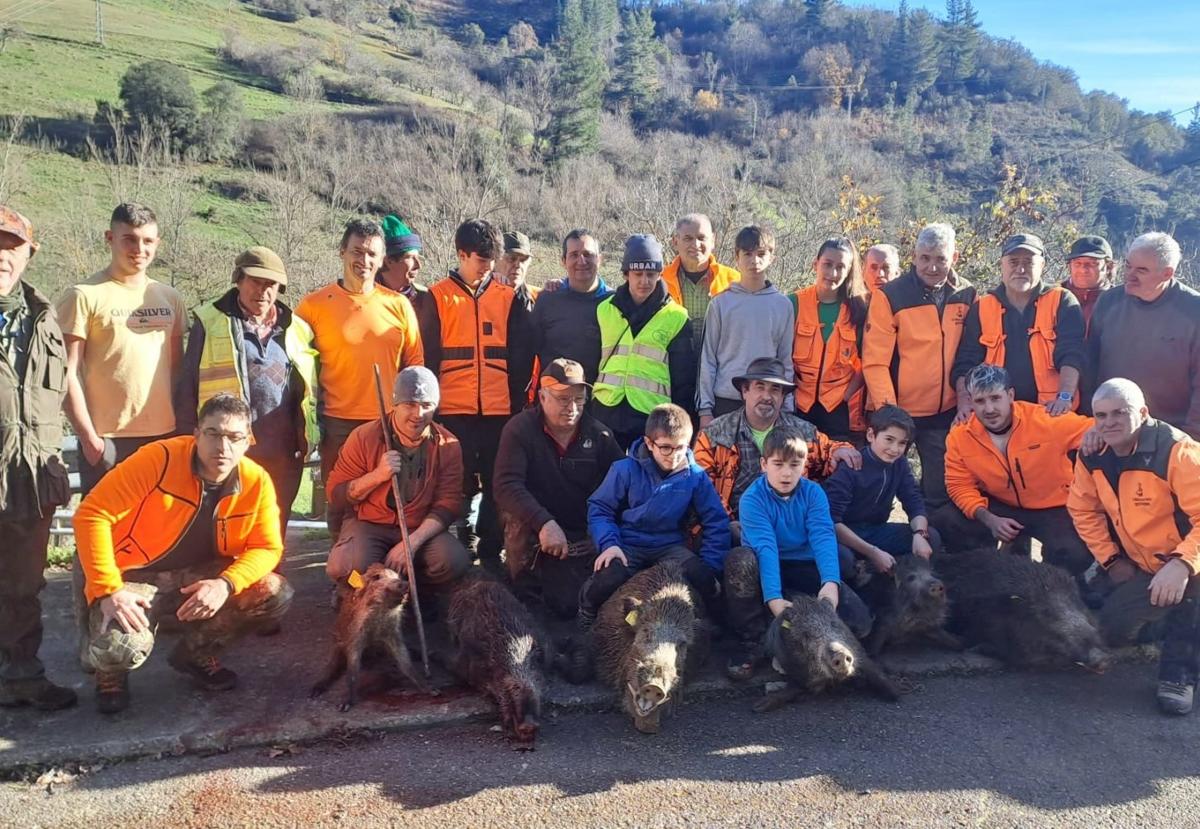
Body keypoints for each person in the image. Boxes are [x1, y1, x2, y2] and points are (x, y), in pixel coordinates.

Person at [74, 394, 294, 714]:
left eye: (234, 438)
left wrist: (225, 584)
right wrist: (108, 589)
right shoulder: (158, 459)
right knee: (120, 649)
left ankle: (195, 653)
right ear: (196, 434)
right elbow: (91, 515)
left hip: (199, 576)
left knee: (274, 593)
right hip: (136, 576)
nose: (223, 447)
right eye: (213, 434)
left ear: (248, 441)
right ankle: (109, 673)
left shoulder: (255, 481)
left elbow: (268, 546)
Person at [1067, 378, 1200, 715]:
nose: (1109, 422)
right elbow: (1082, 509)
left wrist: (1182, 564)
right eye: (1101, 415)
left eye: (1119, 413)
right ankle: (1168, 615)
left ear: (1142, 413)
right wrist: (1111, 560)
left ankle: (1179, 674)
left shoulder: (1177, 452)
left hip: (1188, 560)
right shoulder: (1094, 455)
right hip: (1146, 565)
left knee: (1190, 600)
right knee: (1112, 631)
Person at [175, 246, 319, 543]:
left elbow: (309, 390)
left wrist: (307, 438)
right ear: (238, 279)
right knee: (226, 526)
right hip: (228, 447)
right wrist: (186, 440)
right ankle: (228, 586)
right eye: (255, 281)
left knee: (273, 527)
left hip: (283, 451)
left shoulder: (297, 328)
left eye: (271, 285)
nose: (263, 292)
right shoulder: (210, 321)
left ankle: (269, 585)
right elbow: (188, 384)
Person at [295, 217, 424, 532]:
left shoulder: (399, 306)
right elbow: (297, 369)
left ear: (381, 260)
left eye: (371, 254)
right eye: (357, 251)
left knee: (388, 501)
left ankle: (383, 575)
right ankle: (342, 575)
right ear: (342, 251)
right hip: (337, 425)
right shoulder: (312, 307)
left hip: (389, 423)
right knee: (340, 504)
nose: (363, 260)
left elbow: (415, 366)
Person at [424, 219, 533, 571]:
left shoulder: (508, 297)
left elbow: (519, 356)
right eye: (480, 260)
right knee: (456, 481)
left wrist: (517, 405)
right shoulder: (436, 297)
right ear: (461, 254)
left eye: (491, 261)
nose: (487, 268)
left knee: (497, 480)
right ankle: (460, 539)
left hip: (500, 411)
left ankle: (491, 548)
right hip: (452, 412)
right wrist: (433, 412)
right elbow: (428, 357)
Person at [0, 207, 76, 711]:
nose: (2, 255)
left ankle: (22, 677)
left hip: (31, 476)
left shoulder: (43, 319)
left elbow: (58, 392)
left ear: (29, 253)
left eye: (12, 245)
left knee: (25, 587)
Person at [56, 202, 187, 494]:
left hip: (164, 437)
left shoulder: (170, 297)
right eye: (129, 238)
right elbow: (66, 372)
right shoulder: (83, 296)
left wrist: (181, 430)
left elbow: (178, 370)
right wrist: (89, 439)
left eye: (148, 240)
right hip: (108, 440)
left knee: (159, 533)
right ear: (109, 238)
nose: (139, 248)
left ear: (157, 243)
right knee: (104, 534)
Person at [724, 427, 873, 679]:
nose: (786, 472)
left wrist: (830, 584)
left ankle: (807, 620)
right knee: (740, 561)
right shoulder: (752, 499)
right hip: (765, 567)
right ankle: (752, 640)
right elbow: (766, 548)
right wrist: (774, 599)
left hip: (804, 563)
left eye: (795, 464)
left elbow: (823, 537)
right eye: (778, 463)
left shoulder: (813, 493)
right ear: (764, 464)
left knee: (861, 625)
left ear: (804, 465)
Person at [493, 359, 624, 619]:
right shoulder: (519, 429)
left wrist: (597, 531)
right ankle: (520, 579)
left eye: (579, 398)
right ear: (542, 397)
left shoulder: (601, 436)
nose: (572, 407)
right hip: (533, 522)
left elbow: (623, 485)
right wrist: (544, 523)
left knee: (566, 604)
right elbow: (505, 485)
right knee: (516, 526)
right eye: (563, 399)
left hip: (578, 529)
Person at [933, 365, 1094, 574]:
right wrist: (989, 519)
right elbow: (958, 485)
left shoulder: (1045, 421)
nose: (989, 409)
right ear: (971, 402)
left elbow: (1098, 428)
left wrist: (1097, 438)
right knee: (947, 521)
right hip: (1000, 505)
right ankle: (984, 572)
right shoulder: (960, 435)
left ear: (1010, 395)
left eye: (995, 398)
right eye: (980, 401)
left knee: (1076, 551)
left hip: (1053, 505)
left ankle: (1056, 581)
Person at [580, 403, 730, 627]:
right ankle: (586, 612)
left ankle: (715, 629)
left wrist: (710, 564)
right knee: (609, 577)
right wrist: (609, 543)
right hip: (629, 542)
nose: (675, 455)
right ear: (650, 443)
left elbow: (716, 520)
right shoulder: (625, 469)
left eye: (681, 448)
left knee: (703, 579)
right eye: (666, 448)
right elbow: (600, 508)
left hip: (669, 545)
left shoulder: (695, 476)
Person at [324, 366, 470, 591]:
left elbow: (448, 504)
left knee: (453, 562)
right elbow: (336, 494)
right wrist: (376, 476)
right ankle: (358, 591)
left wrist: (411, 544)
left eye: (426, 405)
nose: (418, 414)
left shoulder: (448, 445)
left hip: (418, 528)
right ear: (395, 404)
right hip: (369, 524)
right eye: (410, 404)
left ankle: (412, 590)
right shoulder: (363, 437)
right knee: (345, 568)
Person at [863, 222, 976, 510]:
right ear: (914, 256)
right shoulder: (890, 295)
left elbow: (971, 353)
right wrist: (889, 411)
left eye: (940, 258)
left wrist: (965, 399)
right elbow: (875, 361)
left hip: (945, 412)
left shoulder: (967, 294)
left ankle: (934, 548)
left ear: (955, 257)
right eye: (925, 258)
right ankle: (872, 547)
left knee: (939, 490)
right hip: (901, 410)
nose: (932, 266)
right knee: (880, 485)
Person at [694, 357, 860, 524]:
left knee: (841, 551)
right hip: (732, 525)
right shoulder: (714, 434)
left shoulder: (802, 432)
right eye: (760, 387)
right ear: (745, 391)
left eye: (775, 390)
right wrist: (729, 524)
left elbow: (830, 448)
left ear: (782, 396)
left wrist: (840, 449)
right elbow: (702, 487)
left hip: (789, 525)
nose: (767, 396)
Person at [952, 233, 1085, 418]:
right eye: (1014, 262)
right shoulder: (982, 307)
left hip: (1051, 413)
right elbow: (966, 363)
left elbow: (1072, 354)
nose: (1021, 270)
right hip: (996, 418)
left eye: (1028, 263)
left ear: (1042, 266)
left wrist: (1064, 397)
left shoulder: (1062, 300)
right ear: (1002, 265)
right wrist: (965, 404)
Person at [1087, 232, 1200, 439]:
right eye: (1128, 265)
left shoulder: (1194, 311)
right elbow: (1089, 364)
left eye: (1141, 270)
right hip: (1110, 428)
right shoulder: (1108, 302)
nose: (1129, 275)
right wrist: (1090, 421)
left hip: (1171, 433)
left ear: (1167, 273)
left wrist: (1190, 439)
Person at [592, 234, 696, 451]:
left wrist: (677, 427)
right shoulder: (604, 309)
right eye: (637, 273)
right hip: (605, 411)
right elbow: (591, 361)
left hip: (651, 418)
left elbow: (684, 382)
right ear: (626, 274)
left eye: (651, 274)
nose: (644, 281)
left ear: (660, 274)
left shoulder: (677, 317)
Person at [822, 406, 938, 580]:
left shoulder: (900, 464)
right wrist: (872, 552)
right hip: (844, 535)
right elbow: (832, 522)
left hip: (875, 530)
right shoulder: (851, 466)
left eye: (901, 443)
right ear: (871, 435)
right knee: (842, 559)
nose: (894, 449)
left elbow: (914, 502)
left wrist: (920, 534)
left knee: (931, 537)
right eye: (889, 440)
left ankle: (913, 588)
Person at [698, 225, 793, 427]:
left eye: (761, 254)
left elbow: (786, 360)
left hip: (766, 402)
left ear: (771, 257)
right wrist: (705, 410)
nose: (754, 261)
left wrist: (787, 408)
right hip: (725, 399)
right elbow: (707, 359)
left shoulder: (783, 305)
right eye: (748, 254)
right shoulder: (720, 303)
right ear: (737, 257)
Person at [792, 237, 871, 441]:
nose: (832, 273)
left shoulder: (859, 309)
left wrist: (846, 394)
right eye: (827, 265)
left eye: (840, 267)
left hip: (837, 408)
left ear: (849, 270)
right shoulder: (794, 302)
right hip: (798, 404)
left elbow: (868, 362)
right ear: (815, 264)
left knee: (834, 466)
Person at [529, 228, 611, 384]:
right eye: (574, 255)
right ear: (563, 261)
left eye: (588, 254)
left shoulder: (613, 303)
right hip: (553, 399)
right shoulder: (548, 299)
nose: (582, 261)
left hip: (599, 400)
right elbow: (530, 350)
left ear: (600, 259)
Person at [661, 213, 741, 353]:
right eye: (688, 238)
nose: (695, 245)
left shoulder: (734, 281)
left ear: (713, 240)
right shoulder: (660, 282)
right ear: (675, 241)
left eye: (701, 238)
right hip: (671, 367)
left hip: (720, 366)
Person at [1062, 235, 1115, 332]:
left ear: (1108, 267)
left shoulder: (1118, 303)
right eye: (1077, 263)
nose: (1083, 269)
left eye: (1092, 263)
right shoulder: (1053, 298)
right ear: (1069, 266)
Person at [495, 230, 537, 310]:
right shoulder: (477, 297)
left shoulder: (538, 298)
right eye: (512, 258)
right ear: (496, 260)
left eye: (523, 260)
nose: (518, 265)